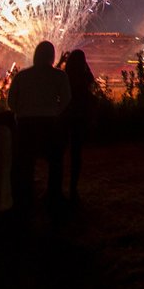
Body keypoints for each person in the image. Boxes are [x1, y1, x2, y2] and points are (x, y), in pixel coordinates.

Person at [7, 41, 71, 215]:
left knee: (25, 162)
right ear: (52, 56)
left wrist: (21, 111)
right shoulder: (59, 76)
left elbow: (11, 100)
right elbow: (66, 100)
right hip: (49, 122)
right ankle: (54, 195)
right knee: (55, 161)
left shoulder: (22, 76)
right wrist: (55, 111)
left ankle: (24, 197)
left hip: (26, 123)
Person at [63, 49, 96, 202]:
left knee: (59, 153)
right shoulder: (84, 77)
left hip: (65, 116)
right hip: (79, 116)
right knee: (76, 154)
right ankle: (73, 188)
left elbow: (56, 73)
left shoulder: (64, 76)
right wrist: (85, 64)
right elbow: (92, 79)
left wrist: (62, 61)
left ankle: (57, 185)